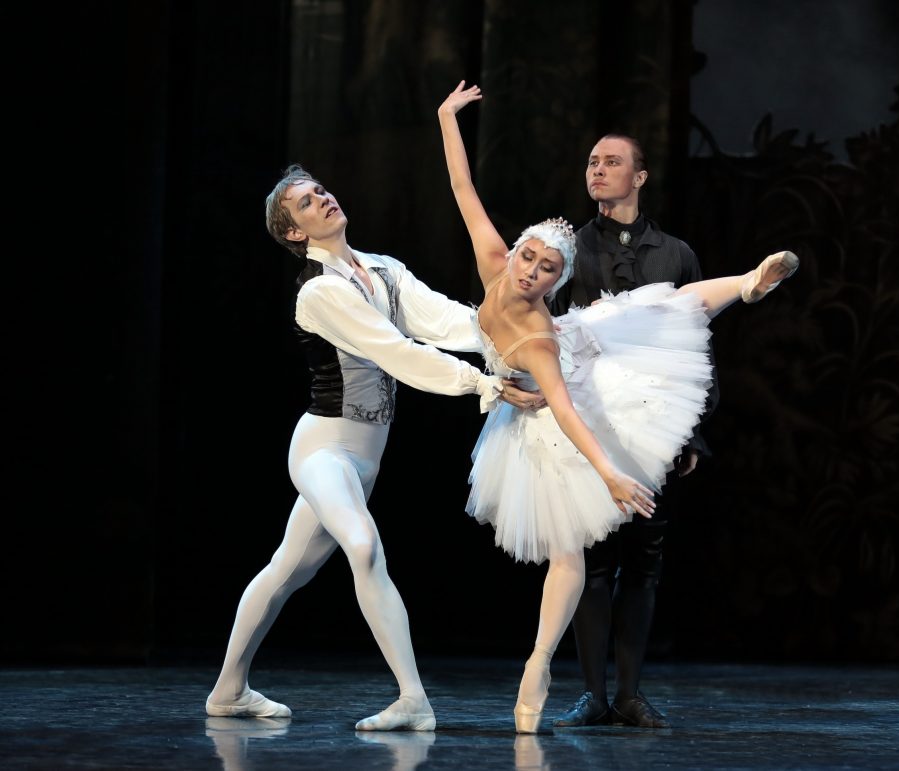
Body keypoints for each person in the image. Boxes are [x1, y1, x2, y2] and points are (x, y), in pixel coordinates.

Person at [437, 81, 798, 733]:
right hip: (563, 399)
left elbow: (677, 348)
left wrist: (669, 444)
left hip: (608, 379)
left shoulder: (639, 269)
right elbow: (464, 191)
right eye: (530, 259)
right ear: (516, 253)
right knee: (579, 558)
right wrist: (445, 118)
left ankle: (746, 283)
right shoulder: (519, 267)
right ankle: (573, 682)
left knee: (664, 306)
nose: (532, 271)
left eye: (547, 268)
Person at [205, 164, 515, 731]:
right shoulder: (321, 291)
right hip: (323, 449)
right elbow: (394, 351)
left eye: (321, 190)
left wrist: (506, 334)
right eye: (305, 203)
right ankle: (413, 699)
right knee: (363, 545)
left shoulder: (383, 270)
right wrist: (479, 384)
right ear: (294, 233)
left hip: (365, 460)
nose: (322, 199)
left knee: (284, 570)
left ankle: (229, 690)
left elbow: (444, 321)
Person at [549, 133, 727, 728]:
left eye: (612, 162)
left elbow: (697, 352)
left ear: (640, 176)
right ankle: (592, 695)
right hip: (591, 429)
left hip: (654, 433)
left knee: (644, 564)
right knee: (591, 563)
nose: (597, 171)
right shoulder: (568, 250)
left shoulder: (674, 254)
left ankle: (630, 692)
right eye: (592, 161)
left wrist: (692, 434)